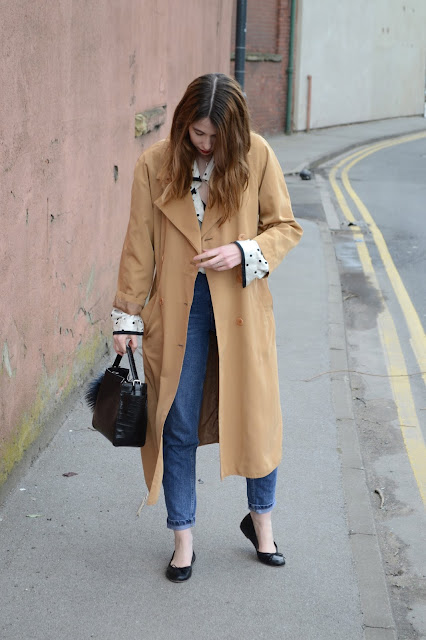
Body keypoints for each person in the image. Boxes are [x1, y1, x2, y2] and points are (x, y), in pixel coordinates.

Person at [112, 73, 303, 582]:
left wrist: (242, 251)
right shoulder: (154, 165)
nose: (205, 145)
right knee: (176, 419)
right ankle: (182, 538)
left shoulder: (256, 155)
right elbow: (139, 246)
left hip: (240, 301)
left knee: (257, 418)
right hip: (178, 309)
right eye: (197, 134)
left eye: (216, 137)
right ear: (182, 126)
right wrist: (127, 316)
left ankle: (262, 523)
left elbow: (284, 226)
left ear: (234, 132)